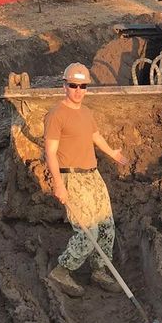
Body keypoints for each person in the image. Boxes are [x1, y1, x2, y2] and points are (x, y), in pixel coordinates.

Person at [44, 63, 127, 297]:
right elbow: (50, 152)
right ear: (64, 86)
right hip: (72, 177)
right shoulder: (56, 115)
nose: (78, 90)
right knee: (87, 231)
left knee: (106, 226)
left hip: (93, 175)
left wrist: (112, 153)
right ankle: (62, 270)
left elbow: (95, 136)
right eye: (73, 85)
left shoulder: (86, 113)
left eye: (83, 86)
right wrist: (58, 184)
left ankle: (99, 270)